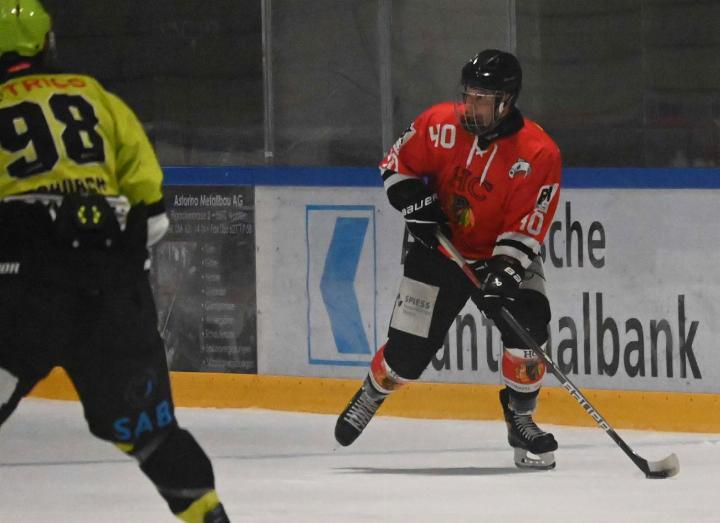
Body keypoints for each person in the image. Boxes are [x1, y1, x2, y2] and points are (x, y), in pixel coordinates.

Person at [0, 1, 230, 520]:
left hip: (22, 295)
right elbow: (152, 217)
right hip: (113, 294)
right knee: (153, 436)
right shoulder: (95, 96)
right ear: (44, 45)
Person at [335, 49, 562, 470]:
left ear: (506, 102)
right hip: (437, 249)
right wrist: (410, 199)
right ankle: (372, 391)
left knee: (530, 325)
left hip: (499, 252)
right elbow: (395, 163)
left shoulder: (538, 153)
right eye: (468, 96)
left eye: (481, 99)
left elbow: (529, 224)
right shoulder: (440, 123)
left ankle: (521, 419)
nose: (470, 107)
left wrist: (506, 273)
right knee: (406, 355)